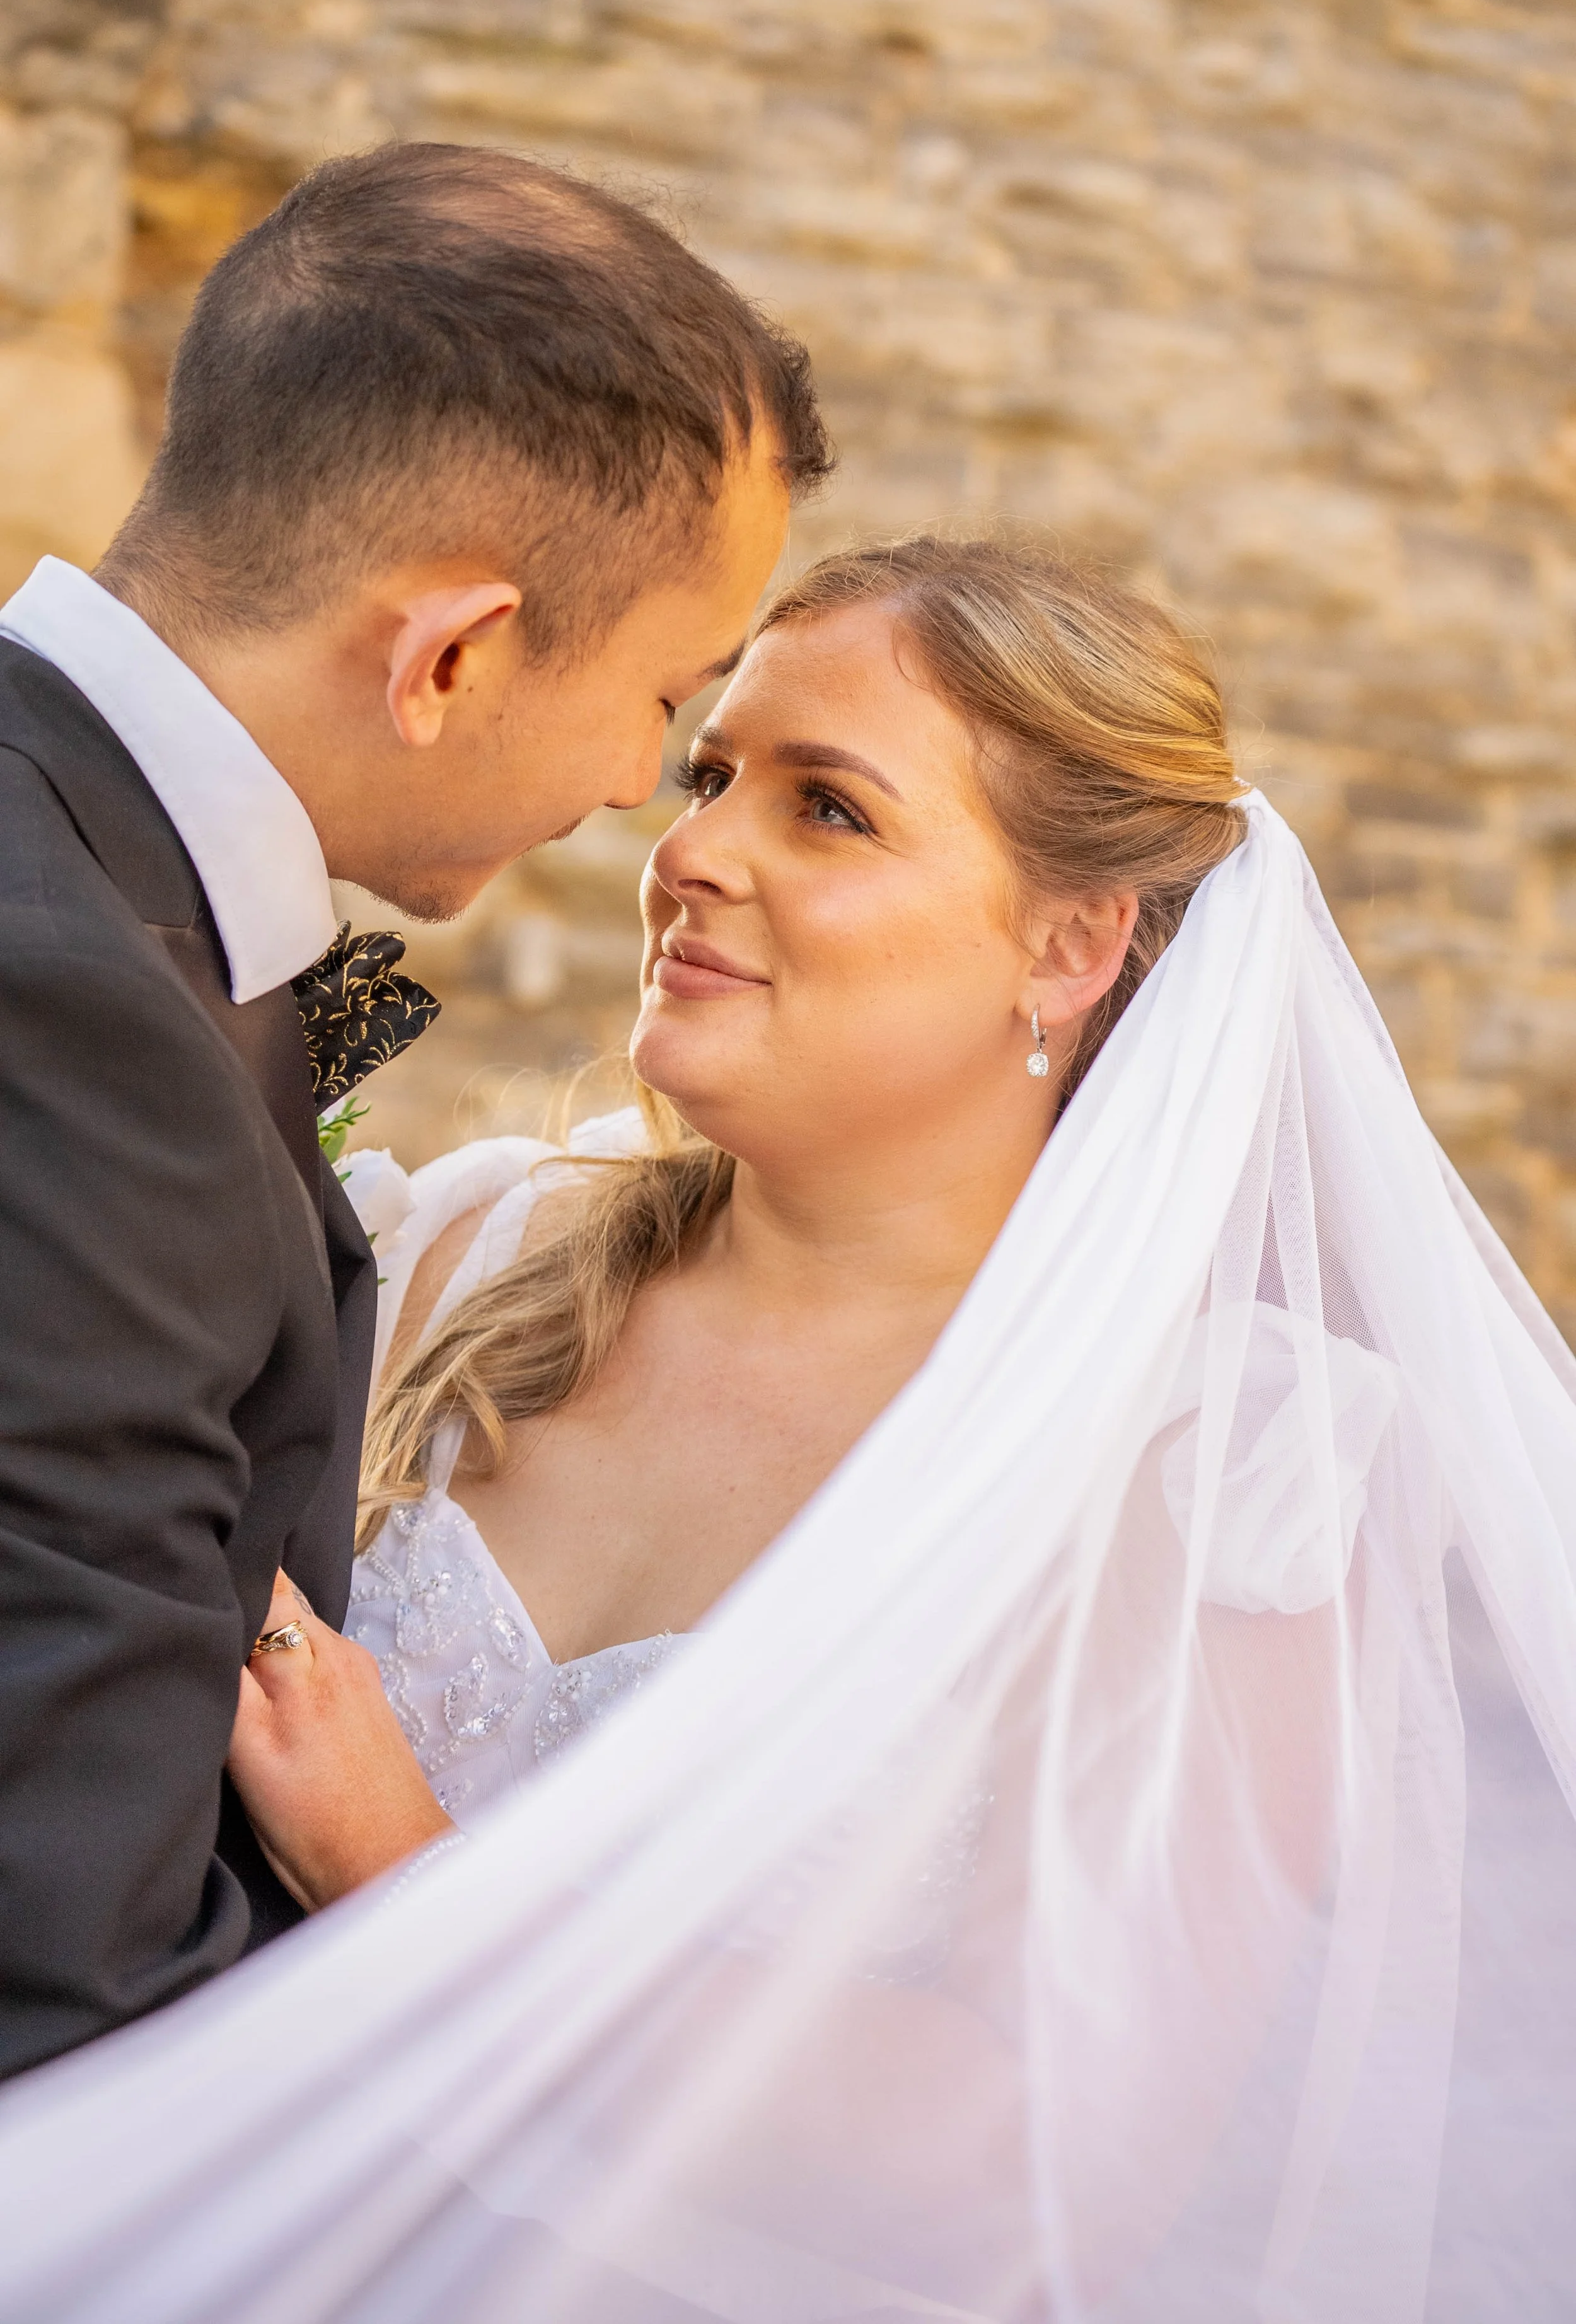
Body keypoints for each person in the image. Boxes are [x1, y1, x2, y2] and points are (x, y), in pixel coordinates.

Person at [4, 535, 1575, 2324]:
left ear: (1068, 945)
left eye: (826, 808)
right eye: (708, 772)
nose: (692, 855)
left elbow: (1035, 2153)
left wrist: (404, 1875)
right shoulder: (457, 1250)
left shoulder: (1231, 1467)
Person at [0, 137, 830, 2080]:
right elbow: (61, 1965)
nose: (645, 792)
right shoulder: (83, 1012)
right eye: (665, 700)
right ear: (450, 656)